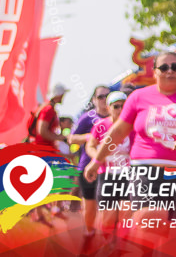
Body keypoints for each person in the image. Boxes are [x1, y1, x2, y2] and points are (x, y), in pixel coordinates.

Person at [85, 51, 176, 246]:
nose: (169, 71)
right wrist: (96, 161)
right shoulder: (138, 97)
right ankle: (128, 244)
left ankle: (130, 245)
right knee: (151, 217)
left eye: (175, 67)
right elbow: (116, 133)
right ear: (155, 71)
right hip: (146, 170)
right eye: (164, 67)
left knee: (174, 233)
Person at [87, 91, 134, 235]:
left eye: (123, 106)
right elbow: (90, 145)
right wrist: (97, 159)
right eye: (116, 106)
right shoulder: (101, 125)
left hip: (129, 175)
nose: (120, 110)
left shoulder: (133, 126)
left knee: (126, 216)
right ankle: (106, 245)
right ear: (108, 108)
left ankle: (122, 248)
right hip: (107, 175)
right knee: (108, 218)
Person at [70, 84, 112, 239]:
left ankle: (106, 239)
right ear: (94, 100)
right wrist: (89, 137)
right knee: (90, 205)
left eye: (107, 96)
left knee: (107, 206)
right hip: (88, 166)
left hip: (110, 169)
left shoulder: (116, 118)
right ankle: (89, 233)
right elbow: (71, 138)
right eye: (100, 96)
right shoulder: (88, 118)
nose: (103, 100)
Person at [29, 83, 70, 153]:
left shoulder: (48, 108)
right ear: (58, 95)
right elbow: (42, 131)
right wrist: (59, 137)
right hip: (42, 150)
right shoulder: (48, 109)